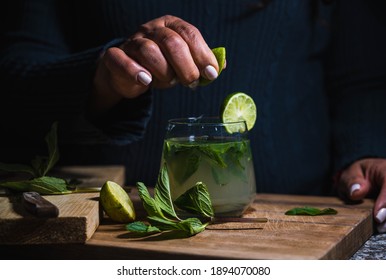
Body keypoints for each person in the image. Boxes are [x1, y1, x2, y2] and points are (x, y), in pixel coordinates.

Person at [1, 0, 386, 233]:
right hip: (121, 231)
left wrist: (366, 149)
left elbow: (362, 78)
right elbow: (14, 78)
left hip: (296, 228)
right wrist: (101, 79)